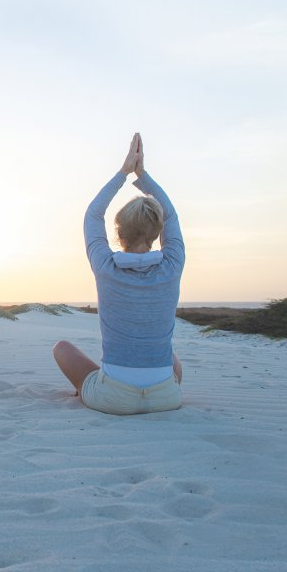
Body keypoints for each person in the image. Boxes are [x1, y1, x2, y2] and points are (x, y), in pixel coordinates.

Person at [53, 132, 185, 415]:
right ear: (157, 233)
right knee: (172, 360)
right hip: (167, 397)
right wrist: (143, 176)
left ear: (119, 232)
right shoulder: (172, 264)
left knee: (62, 348)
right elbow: (171, 215)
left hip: (113, 399)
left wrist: (124, 172)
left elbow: (92, 215)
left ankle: (86, 391)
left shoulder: (106, 266)